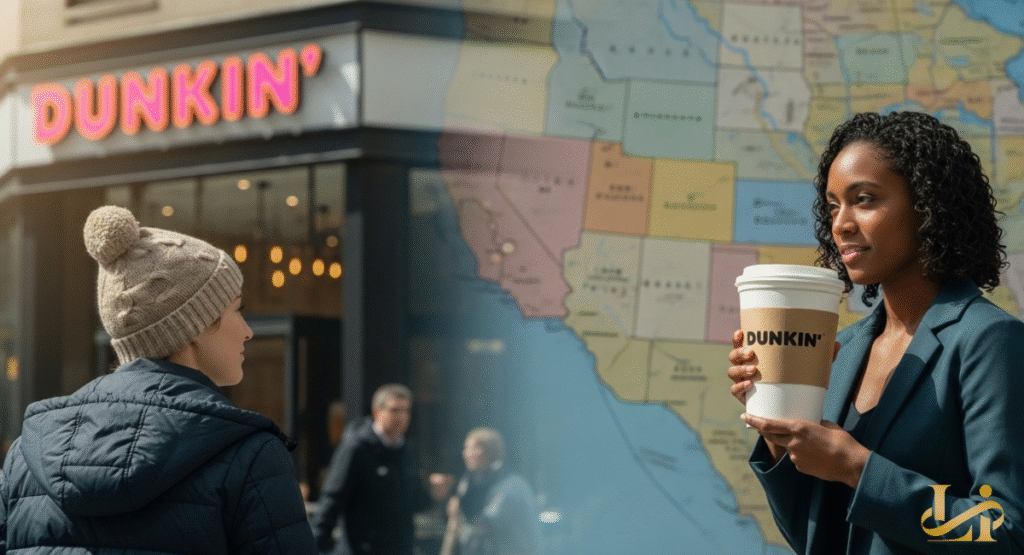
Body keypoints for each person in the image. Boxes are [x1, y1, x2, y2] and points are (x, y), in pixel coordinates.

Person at [727, 111, 1024, 553]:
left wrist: (855, 468)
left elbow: (1005, 529)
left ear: (928, 204)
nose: (841, 224)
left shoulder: (988, 340)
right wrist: (778, 433)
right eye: (832, 205)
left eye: (864, 199)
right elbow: (814, 537)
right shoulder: (843, 350)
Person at [0, 205, 316, 554]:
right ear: (194, 326)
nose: (247, 331)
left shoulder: (27, 456)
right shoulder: (250, 456)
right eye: (236, 309)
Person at [311, 384, 452, 555]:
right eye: (395, 410)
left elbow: (413, 502)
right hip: (361, 549)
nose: (402, 417)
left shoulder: (406, 451)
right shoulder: (357, 449)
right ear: (377, 411)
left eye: (406, 411)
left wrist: (433, 494)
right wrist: (314, 544)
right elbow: (332, 499)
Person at [443, 427, 540, 555]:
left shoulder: (510, 484)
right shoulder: (469, 482)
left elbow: (487, 524)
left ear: (486, 452)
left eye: (470, 449)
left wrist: (459, 513)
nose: (465, 454)